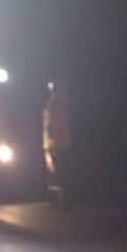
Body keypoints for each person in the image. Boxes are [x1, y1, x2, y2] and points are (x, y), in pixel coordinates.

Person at [43, 79, 74, 208]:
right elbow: (49, 127)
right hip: (55, 145)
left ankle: (59, 200)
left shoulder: (63, 107)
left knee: (61, 172)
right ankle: (58, 201)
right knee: (57, 172)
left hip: (64, 143)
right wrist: (52, 144)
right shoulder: (52, 107)